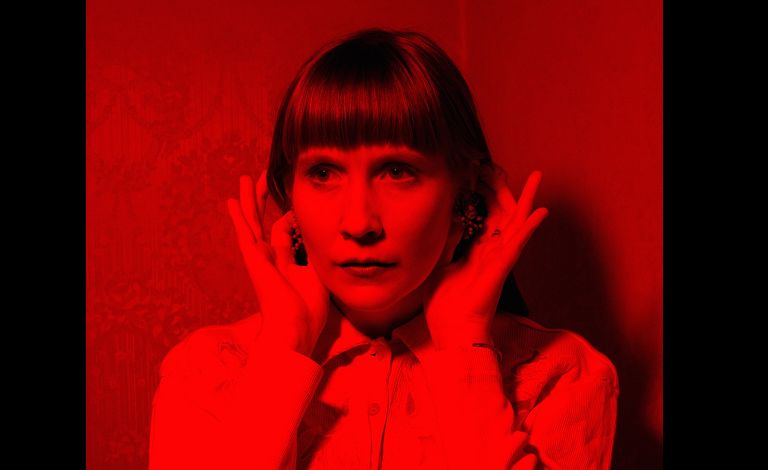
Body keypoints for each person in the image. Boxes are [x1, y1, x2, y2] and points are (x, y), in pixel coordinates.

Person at [148, 28, 619, 470]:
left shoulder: (562, 377)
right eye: (323, 173)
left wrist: (464, 348)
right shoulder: (203, 371)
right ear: (289, 193)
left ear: (466, 191)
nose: (358, 224)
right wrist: (285, 347)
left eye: (397, 172)